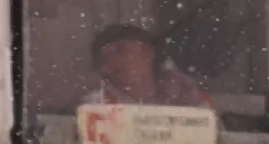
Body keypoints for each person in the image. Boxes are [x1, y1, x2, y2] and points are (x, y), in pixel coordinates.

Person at [85, 24, 215, 109]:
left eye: (120, 51)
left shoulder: (190, 96)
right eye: (105, 58)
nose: (111, 62)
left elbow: (217, 142)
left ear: (147, 52)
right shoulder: (97, 106)